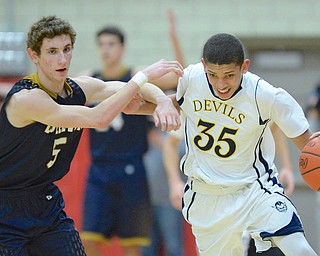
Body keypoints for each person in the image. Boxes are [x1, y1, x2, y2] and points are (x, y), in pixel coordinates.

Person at [0, 15, 183, 256]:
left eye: (66, 49)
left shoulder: (78, 87)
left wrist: (162, 101)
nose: (62, 59)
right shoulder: (27, 98)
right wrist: (141, 78)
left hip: (45, 199)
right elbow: (99, 117)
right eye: (52, 51)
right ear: (34, 55)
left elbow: (120, 88)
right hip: (6, 204)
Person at [165, 33, 318, 255]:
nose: (221, 83)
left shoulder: (263, 95)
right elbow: (142, 100)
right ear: (203, 66)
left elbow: (307, 144)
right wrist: (160, 102)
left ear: (244, 67)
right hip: (208, 197)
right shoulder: (191, 80)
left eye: (229, 75)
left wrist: (297, 159)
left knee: (299, 249)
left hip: (255, 189)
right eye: (213, 75)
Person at [80, 21, 180, 256]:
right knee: (88, 239)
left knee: (132, 244)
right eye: (101, 44)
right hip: (99, 169)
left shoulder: (136, 75)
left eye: (111, 44)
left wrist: (174, 38)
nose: (106, 49)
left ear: (122, 48)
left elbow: (178, 78)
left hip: (131, 170)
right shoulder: (90, 79)